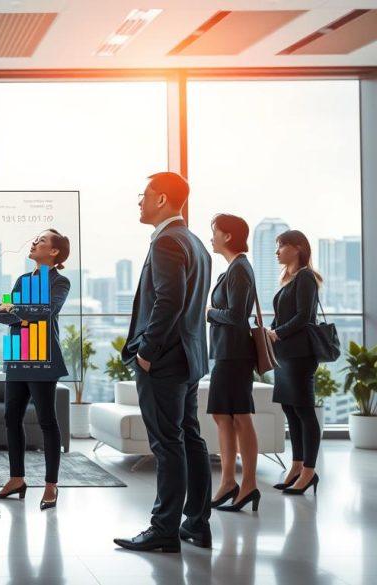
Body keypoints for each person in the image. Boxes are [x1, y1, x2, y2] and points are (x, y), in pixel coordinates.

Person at [114, 172, 212, 553]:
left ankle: (164, 529)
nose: (139, 201)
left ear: (162, 200)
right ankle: (196, 524)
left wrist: (146, 353)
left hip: (165, 362)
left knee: (168, 443)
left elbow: (168, 302)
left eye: (145, 194)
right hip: (188, 360)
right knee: (190, 438)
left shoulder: (168, 242)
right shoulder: (195, 243)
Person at [0, 229, 71, 510]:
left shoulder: (60, 282)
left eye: (42, 240)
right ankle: (16, 479)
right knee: (11, 417)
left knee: (47, 421)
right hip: (18, 357)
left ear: (54, 252)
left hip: (42, 358)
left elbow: (47, 311)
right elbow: (0, 314)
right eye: (35, 238)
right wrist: (21, 312)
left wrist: (16, 309)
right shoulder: (23, 280)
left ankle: (51, 485)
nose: (34, 241)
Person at [205, 214, 261, 513]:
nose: (211, 237)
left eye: (214, 232)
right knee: (222, 415)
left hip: (235, 355)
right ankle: (228, 482)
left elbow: (237, 316)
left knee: (240, 416)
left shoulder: (240, 268)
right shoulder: (234, 269)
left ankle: (248, 484)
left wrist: (210, 312)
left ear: (228, 236)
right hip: (227, 353)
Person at [268, 229, 322, 496]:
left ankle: (309, 471)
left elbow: (304, 317)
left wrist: (277, 332)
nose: (277, 251)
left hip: (300, 356)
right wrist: (269, 330)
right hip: (285, 355)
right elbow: (286, 314)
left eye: (281, 246)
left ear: (297, 248)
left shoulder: (306, 278)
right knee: (291, 411)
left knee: (304, 412)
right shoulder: (288, 279)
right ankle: (297, 465)